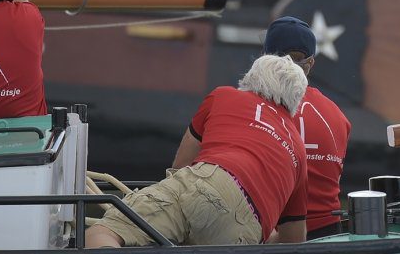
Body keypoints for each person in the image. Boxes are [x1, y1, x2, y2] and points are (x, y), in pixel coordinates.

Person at [87, 54, 309, 247]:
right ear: (295, 100)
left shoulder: (225, 95)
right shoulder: (298, 149)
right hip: (247, 224)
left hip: (206, 179)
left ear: (252, 78)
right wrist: (262, 232)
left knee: (103, 233)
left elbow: (180, 165)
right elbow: (294, 239)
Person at [263, 16, 352, 240]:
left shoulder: (255, 108)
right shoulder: (338, 117)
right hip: (328, 235)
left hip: (275, 234)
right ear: (310, 63)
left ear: (264, 59)